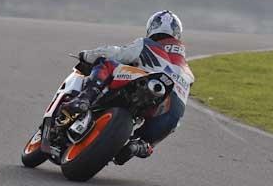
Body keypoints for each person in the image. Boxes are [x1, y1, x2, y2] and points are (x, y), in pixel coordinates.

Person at [65, 10, 194, 163]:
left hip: (144, 85)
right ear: (177, 33)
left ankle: (84, 98)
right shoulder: (188, 72)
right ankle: (142, 145)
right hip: (169, 113)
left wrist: (87, 55)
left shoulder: (147, 44)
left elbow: (117, 53)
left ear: (152, 28)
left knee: (105, 63)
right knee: (174, 121)